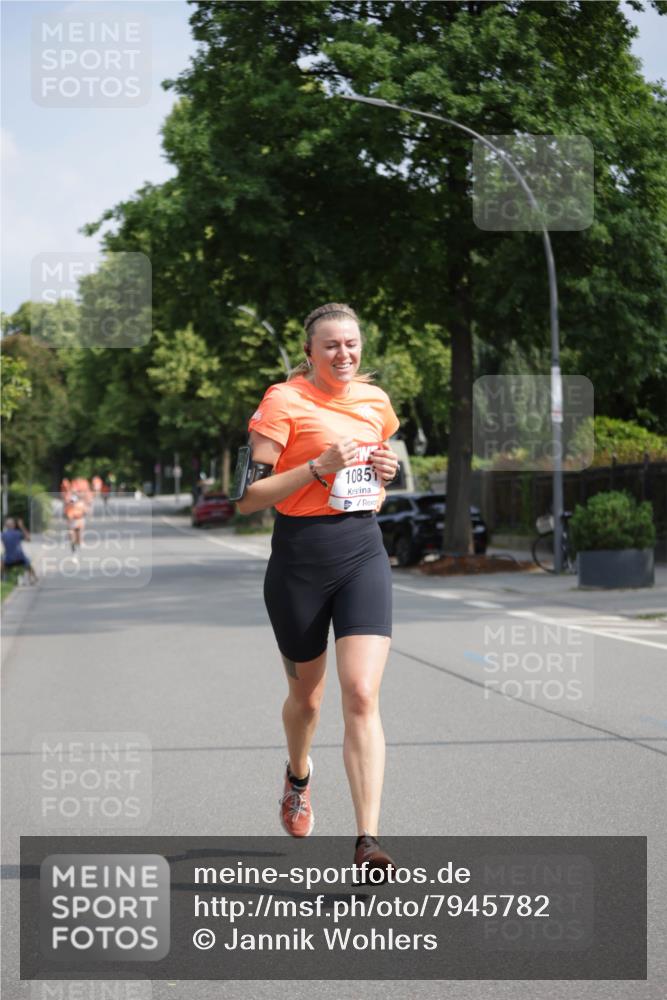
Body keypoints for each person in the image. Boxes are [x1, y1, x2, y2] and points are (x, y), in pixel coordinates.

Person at [237, 302, 401, 880]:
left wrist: (385, 471)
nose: (344, 354)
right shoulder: (283, 401)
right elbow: (250, 497)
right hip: (299, 559)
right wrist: (317, 467)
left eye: (352, 344)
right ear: (309, 352)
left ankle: (367, 841)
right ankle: (299, 774)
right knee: (308, 700)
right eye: (331, 345)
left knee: (360, 693)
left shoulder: (374, 403)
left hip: (362, 551)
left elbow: (381, 472)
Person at [1, 517, 38, 584]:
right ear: (14, 525)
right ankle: (34, 578)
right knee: (28, 563)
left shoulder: (4, 534)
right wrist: (22, 526)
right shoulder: (17, 533)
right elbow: (28, 539)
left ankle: (2, 579)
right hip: (20, 558)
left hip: (9, 559)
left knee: (2, 560)